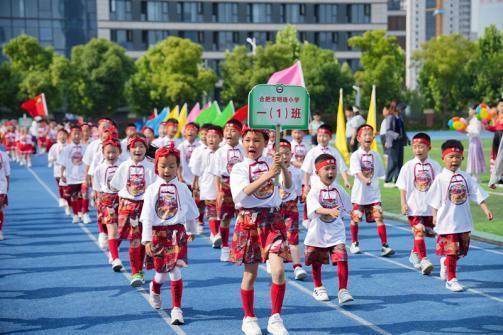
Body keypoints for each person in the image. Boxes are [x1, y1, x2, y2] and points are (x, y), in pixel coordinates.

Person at [229, 127, 292, 335]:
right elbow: (241, 194)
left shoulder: (271, 162)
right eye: (247, 140)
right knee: (250, 274)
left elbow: (289, 187)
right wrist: (268, 175)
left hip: (272, 220)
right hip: (249, 221)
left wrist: (281, 167)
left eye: (257, 141)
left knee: (279, 271)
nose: (251, 145)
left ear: (265, 143)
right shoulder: (238, 168)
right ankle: (249, 317)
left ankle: (276, 317)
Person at [141, 146, 199, 325]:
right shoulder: (152, 189)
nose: (167, 170)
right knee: (161, 272)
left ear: (178, 167)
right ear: (156, 167)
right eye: (163, 166)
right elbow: (147, 216)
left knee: (175, 270)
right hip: (158, 234)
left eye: (172, 166)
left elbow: (190, 211)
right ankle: (155, 288)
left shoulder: (182, 188)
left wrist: (191, 230)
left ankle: (176, 309)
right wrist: (147, 239)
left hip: (177, 234)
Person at [427, 140, 493, 292]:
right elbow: (434, 200)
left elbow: (476, 193)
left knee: (461, 251)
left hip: (463, 222)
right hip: (446, 222)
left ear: (462, 158)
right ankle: (451, 279)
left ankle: (445, 263)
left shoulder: (466, 177)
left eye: (457, 157)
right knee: (451, 250)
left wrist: (485, 209)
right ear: (443, 158)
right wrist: (434, 216)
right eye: (451, 157)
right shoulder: (440, 178)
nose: (454, 160)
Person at [305, 153, 353, 304]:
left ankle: (343, 290)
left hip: (336, 232)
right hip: (317, 233)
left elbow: (348, 207)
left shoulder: (339, 189)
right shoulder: (313, 191)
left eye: (333, 168)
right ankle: (318, 287)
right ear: (317, 172)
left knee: (342, 259)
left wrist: (354, 213)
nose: (331, 172)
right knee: (316, 260)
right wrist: (329, 211)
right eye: (327, 169)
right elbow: (315, 209)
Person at [110, 133, 156, 287]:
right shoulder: (124, 165)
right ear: (129, 148)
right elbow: (114, 185)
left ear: (146, 148)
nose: (138, 149)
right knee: (134, 240)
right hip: (128, 206)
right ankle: (135, 271)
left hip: (145, 206)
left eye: (141, 146)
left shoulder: (151, 166)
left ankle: (140, 269)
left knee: (144, 240)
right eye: (134, 146)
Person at [396, 133, 441, 274]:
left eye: (421, 147)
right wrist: (403, 203)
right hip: (414, 207)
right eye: (415, 147)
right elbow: (402, 187)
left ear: (429, 147)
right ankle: (424, 260)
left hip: (430, 208)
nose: (418, 150)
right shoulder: (408, 166)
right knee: (419, 231)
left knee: (430, 233)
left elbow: (440, 187)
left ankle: (414, 253)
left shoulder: (435, 166)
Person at [349, 124, 394, 256]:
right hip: (359, 194)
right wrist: (365, 179)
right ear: (359, 138)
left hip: (374, 195)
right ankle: (354, 243)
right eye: (365, 135)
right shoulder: (355, 155)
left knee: (379, 217)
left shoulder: (375, 155)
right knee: (355, 218)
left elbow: (380, 173)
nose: (368, 137)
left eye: (370, 135)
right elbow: (357, 172)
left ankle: (385, 245)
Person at [209, 120, 244, 261]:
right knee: (225, 218)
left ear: (240, 133)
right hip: (225, 186)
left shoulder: (244, 149)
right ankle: (224, 246)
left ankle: (240, 247)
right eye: (227, 130)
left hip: (242, 186)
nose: (229, 133)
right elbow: (216, 174)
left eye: (233, 130)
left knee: (242, 218)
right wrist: (218, 192)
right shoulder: (220, 152)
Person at [276, 139, 308, 280]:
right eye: (281, 154)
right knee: (276, 238)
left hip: (291, 207)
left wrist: (302, 195)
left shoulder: (296, 171)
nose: (284, 157)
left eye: (287, 154)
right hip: (275, 209)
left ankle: (297, 266)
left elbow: (299, 189)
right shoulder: (271, 171)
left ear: (291, 154)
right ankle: (273, 261)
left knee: (293, 238)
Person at [93, 136, 123, 271]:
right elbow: (97, 189)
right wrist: (98, 202)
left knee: (121, 231)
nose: (111, 155)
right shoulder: (99, 169)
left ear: (119, 152)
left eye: (114, 152)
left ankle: (113, 250)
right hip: (107, 200)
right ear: (103, 153)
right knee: (112, 228)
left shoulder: (124, 166)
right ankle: (115, 259)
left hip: (122, 199)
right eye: (108, 152)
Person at [190, 125, 222, 248]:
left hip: (222, 186)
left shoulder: (224, 152)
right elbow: (196, 171)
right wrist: (195, 185)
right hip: (207, 185)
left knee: (222, 212)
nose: (211, 139)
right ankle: (215, 233)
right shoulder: (201, 153)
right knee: (212, 210)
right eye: (209, 137)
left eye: (214, 137)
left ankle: (215, 233)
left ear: (220, 138)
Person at [58, 125, 90, 224]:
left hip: (83, 176)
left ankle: (85, 214)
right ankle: (76, 214)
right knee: (74, 197)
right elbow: (62, 163)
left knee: (85, 194)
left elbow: (89, 163)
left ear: (81, 134)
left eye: (78, 133)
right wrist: (61, 175)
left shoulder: (86, 148)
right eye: (74, 134)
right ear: (70, 135)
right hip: (71, 176)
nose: (76, 136)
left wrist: (89, 176)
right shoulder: (67, 149)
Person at [189, 123, 212, 233]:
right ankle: (199, 221)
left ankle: (215, 230)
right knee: (199, 203)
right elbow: (195, 168)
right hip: (201, 180)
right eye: (201, 134)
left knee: (212, 204)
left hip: (213, 181)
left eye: (206, 134)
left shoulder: (218, 149)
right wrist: (195, 182)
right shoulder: (197, 150)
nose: (203, 136)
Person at [384, 100, 408, 187]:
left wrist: (406, 139)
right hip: (393, 143)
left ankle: (397, 180)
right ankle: (388, 180)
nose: (402, 110)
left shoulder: (400, 117)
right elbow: (388, 131)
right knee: (393, 162)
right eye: (401, 108)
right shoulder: (390, 117)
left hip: (400, 143)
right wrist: (397, 136)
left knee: (399, 162)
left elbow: (403, 129)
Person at [48, 129, 69, 209]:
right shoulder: (54, 146)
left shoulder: (69, 146)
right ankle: (61, 198)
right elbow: (50, 156)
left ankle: (66, 199)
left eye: (64, 134)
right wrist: (52, 158)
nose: (62, 136)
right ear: (57, 136)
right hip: (57, 168)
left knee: (66, 186)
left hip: (67, 169)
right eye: (60, 134)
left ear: (67, 136)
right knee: (59, 185)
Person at [465, 105, 486, 182]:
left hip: (476, 141)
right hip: (472, 141)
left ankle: (477, 176)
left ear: (474, 110)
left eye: (470, 110)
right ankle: (474, 175)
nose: (469, 111)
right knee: (472, 158)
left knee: (475, 158)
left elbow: (476, 132)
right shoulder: (472, 119)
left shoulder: (476, 119)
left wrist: (467, 129)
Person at [485, 100, 503, 183]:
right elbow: (496, 128)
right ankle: (497, 176)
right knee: (496, 156)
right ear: (497, 107)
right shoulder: (497, 117)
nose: (502, 107)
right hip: (497, 137)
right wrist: (487, 127)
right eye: (500, 105)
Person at [0, 147, 11, 241]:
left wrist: (7, 184)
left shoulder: (3, 155)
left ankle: (0, 230)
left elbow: (7, 172)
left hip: (1, 186)